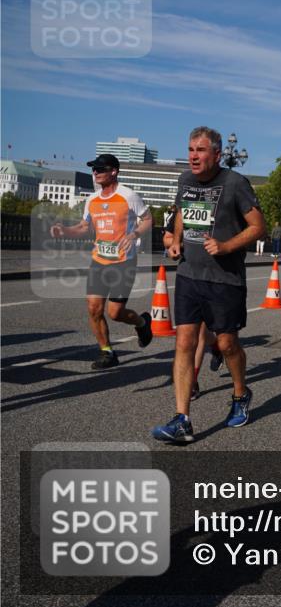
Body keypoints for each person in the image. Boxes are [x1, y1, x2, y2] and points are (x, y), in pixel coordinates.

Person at [152, 126, 265, 443]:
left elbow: (258, 227)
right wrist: (175, 241)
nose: (193, 156)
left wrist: (227, 246)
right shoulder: (185, 180)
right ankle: (182, 419)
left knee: (227, 345)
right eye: (190, 149)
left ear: (217, 154)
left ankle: (241, 394)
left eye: (200, 150)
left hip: (224, 279)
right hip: (189, 274)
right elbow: (181, 215)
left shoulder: (235, 183)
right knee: (184, 343)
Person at [49, 154, 154, 369]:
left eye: (100, 169)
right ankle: (107, 352)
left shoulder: (128, 196)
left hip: (124, 262)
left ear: (113, 171)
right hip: (99, 260)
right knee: (94, 309)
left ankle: (143, 323)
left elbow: (148, 219)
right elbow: (84, 227)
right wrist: (64, 231)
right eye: (93, 169)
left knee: (115, 313)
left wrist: (134, 234)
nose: (95, 172)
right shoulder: (92, 199)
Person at [162, 229, 225, 399]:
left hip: (217, 277)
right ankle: (215, 348)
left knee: (200, 334)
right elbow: (167, 239)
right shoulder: (184, 206)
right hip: (189, 276)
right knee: (193, 336)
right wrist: (179, 244)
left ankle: (193, 379)